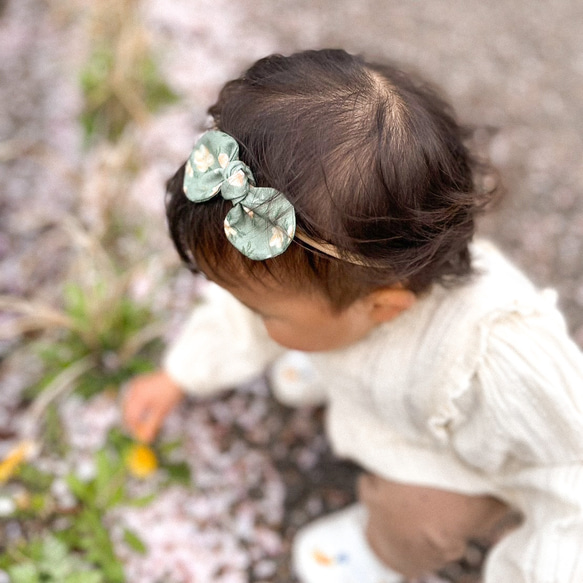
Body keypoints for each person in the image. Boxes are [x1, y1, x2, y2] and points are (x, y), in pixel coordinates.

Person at [123, 49, 583, 582]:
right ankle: (332, 361)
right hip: (360, 349)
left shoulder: (495, 359)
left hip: (462, 455)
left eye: (261, 310)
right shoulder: (339, 287)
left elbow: (568, 474)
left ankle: (385, 553)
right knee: (300, 327)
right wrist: (181, 374)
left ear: (383, 307)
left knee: (417, 518)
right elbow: (242, 312)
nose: (245, 314)